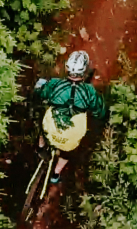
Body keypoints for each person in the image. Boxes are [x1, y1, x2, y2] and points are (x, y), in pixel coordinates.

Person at [34, 50, 107, 184]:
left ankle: (40, 148)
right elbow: (99, 112)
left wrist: (40, 87)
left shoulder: (55, 84)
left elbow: (40, 93)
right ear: (84, 71)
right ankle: (55, 175)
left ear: (67, 68)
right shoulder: (89, 91)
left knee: (44, 126)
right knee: (67, 153)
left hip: (51, 130)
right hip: (70, 138)